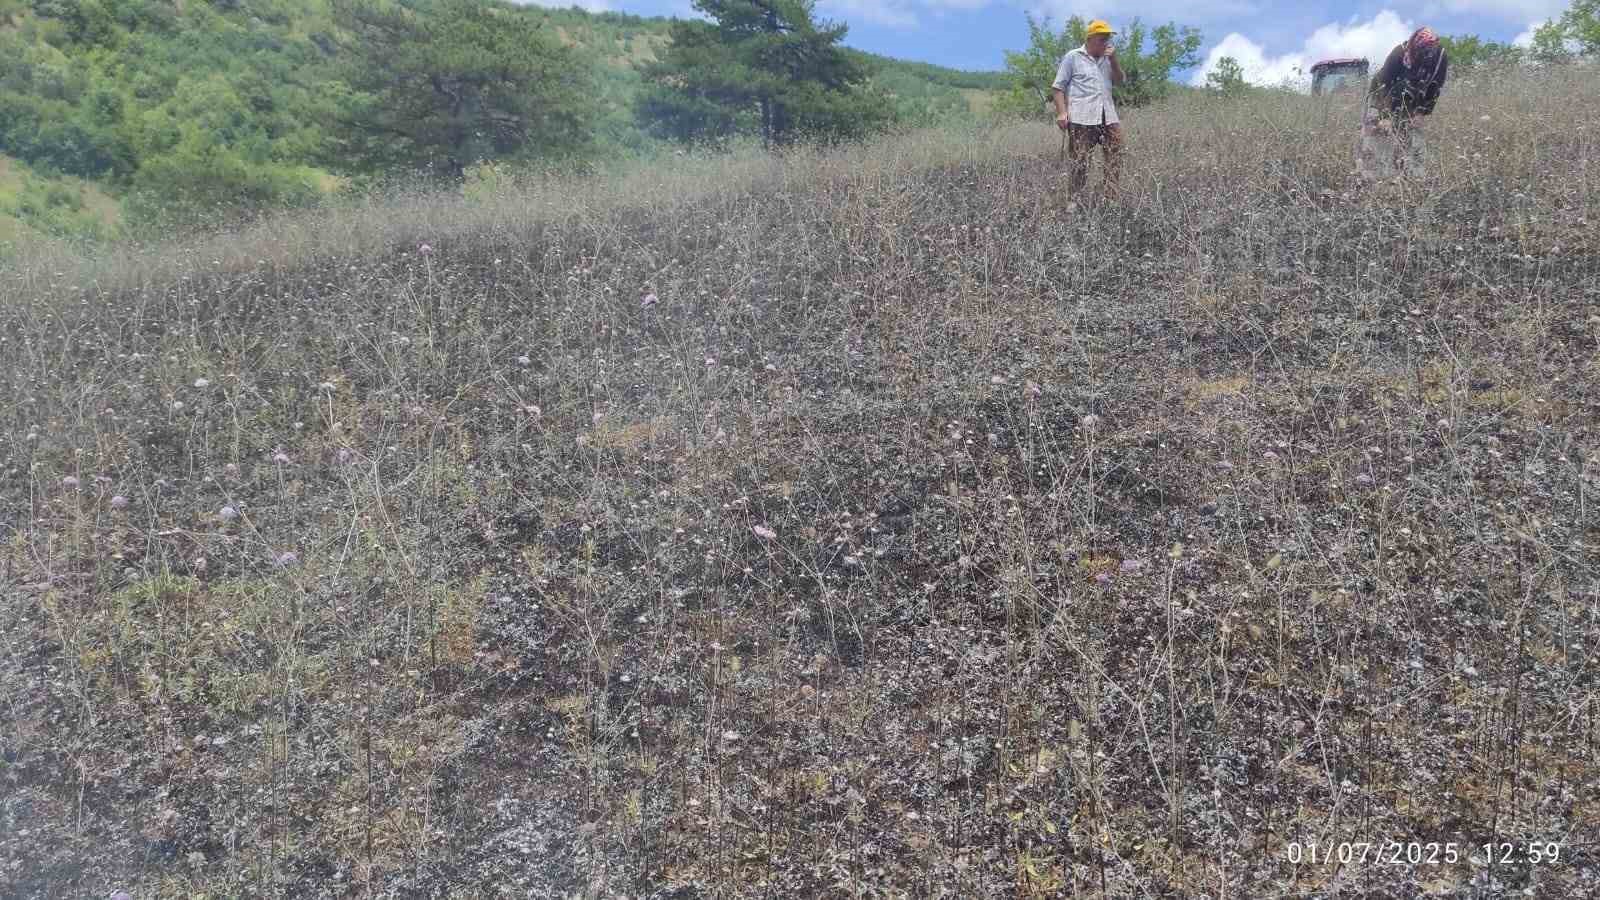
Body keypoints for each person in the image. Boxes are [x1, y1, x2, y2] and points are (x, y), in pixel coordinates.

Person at [1360, 27, 1448, 178]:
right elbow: (1383, 84)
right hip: (1381, 94)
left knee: (1404, 135)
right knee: (1375, 132)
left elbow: (1435, 86)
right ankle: (1368, 172)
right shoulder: (1399, 53)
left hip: (1409, 97)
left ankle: (1401, 172)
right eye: (1420, 54)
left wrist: (1421, 112)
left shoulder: (1440, 57)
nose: (1423, 58)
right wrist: (1384, 116)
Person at [1052, 19, 1125, 198]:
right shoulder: (1073, 56)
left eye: (1108, 39)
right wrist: (1062, 112)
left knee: (1115, 157)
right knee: (1080, 162)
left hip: (1108, 117)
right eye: (1102, 39)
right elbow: (1058, 87)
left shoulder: (1109, 58)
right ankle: (1075, 203)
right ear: (1090, 38)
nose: (1106, 42)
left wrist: (1114, 60)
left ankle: (1111, 201)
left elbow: (1120, 81)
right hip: (1081, 118)